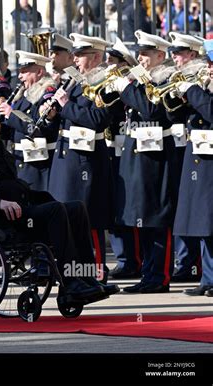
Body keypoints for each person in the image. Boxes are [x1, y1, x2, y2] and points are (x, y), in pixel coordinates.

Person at [0, 99, 119, 302]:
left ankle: (87, 278)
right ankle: (71, 284)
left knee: (76, 208)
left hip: (19, 209)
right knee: (55, 211)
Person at [109, 30, 180, 293]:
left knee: (158, 220)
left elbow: (151, 110)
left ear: (161, 55)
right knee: (143, 220)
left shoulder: (167, 79)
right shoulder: (143, 79)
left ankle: (159, 277)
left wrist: (127, 87)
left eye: (146, 54)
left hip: (157, 158)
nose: (141, 58)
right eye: (139, 54)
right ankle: (147, 274)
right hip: (137, 155)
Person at [48, 33, 113, 283]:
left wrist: (66, 106)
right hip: (66, 156)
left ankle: (96, 271)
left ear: (96, 57)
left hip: (87, 159)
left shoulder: (104, 83)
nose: (75, 60)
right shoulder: (75, 81)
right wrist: (53, 113)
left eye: (80, 55)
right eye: (74, 55)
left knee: (90, 218)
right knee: (67, 217)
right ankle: (72, 270)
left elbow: (99, 119)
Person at [171, 39, 213, 297]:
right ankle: (208, 279)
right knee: (203, 222)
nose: (209, 68)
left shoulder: (204, 88)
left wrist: (194, 92)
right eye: (209, 62)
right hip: (199, 155)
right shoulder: (205, 84)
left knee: (209, 221)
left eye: (212, 63)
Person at [167, 32, 206, 283]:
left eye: (179, 53)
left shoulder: (201, 78)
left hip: (204, 151)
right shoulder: (182, 78)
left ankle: (203, 272)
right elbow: (174, 116)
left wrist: (190, 90)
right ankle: (204, 276)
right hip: (193, 149)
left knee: (205, 217)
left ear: (192, 54)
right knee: (194, 215)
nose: (175, 57)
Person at [104, 38, 144, 279]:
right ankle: (123, 258)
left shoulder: (130, 83)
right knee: (113, 206)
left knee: (128, 206)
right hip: (108, 149)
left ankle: (133, 259)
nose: (108, 67)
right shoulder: (109, 82)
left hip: (125, 150)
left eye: (113, 62)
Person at [0, 51, 58, 191]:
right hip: (18, 161)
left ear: (39, 72)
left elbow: (37, 129)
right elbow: (13, 130)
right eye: (20, 71)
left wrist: (10, 115)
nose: (19, 76)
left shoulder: (47, 95)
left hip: (37, 166)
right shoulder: (22, 96)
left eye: (24, 72)